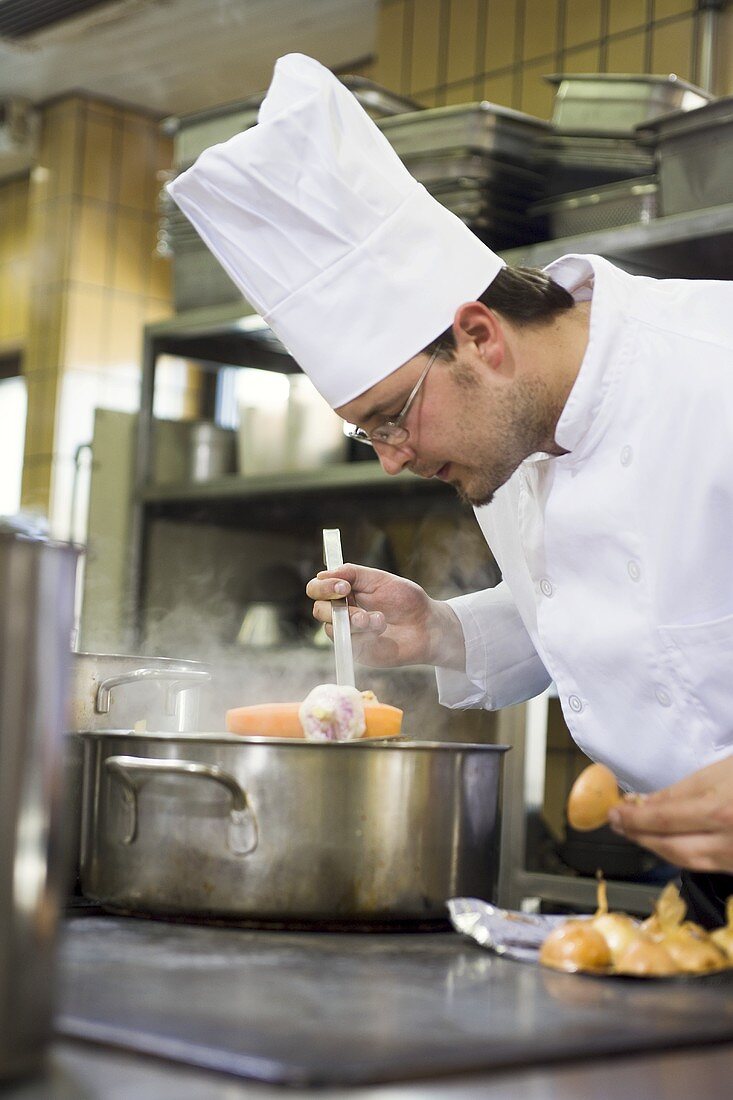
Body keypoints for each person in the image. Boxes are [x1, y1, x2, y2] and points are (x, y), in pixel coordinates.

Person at [167, 53, 732, 926]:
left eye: (392, 417)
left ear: (478, 337)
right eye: (368, 434)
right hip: (699, 894)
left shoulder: (714, 367)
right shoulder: (506, 437)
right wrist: (441, 628)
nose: (390, 459)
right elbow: (625, 614)